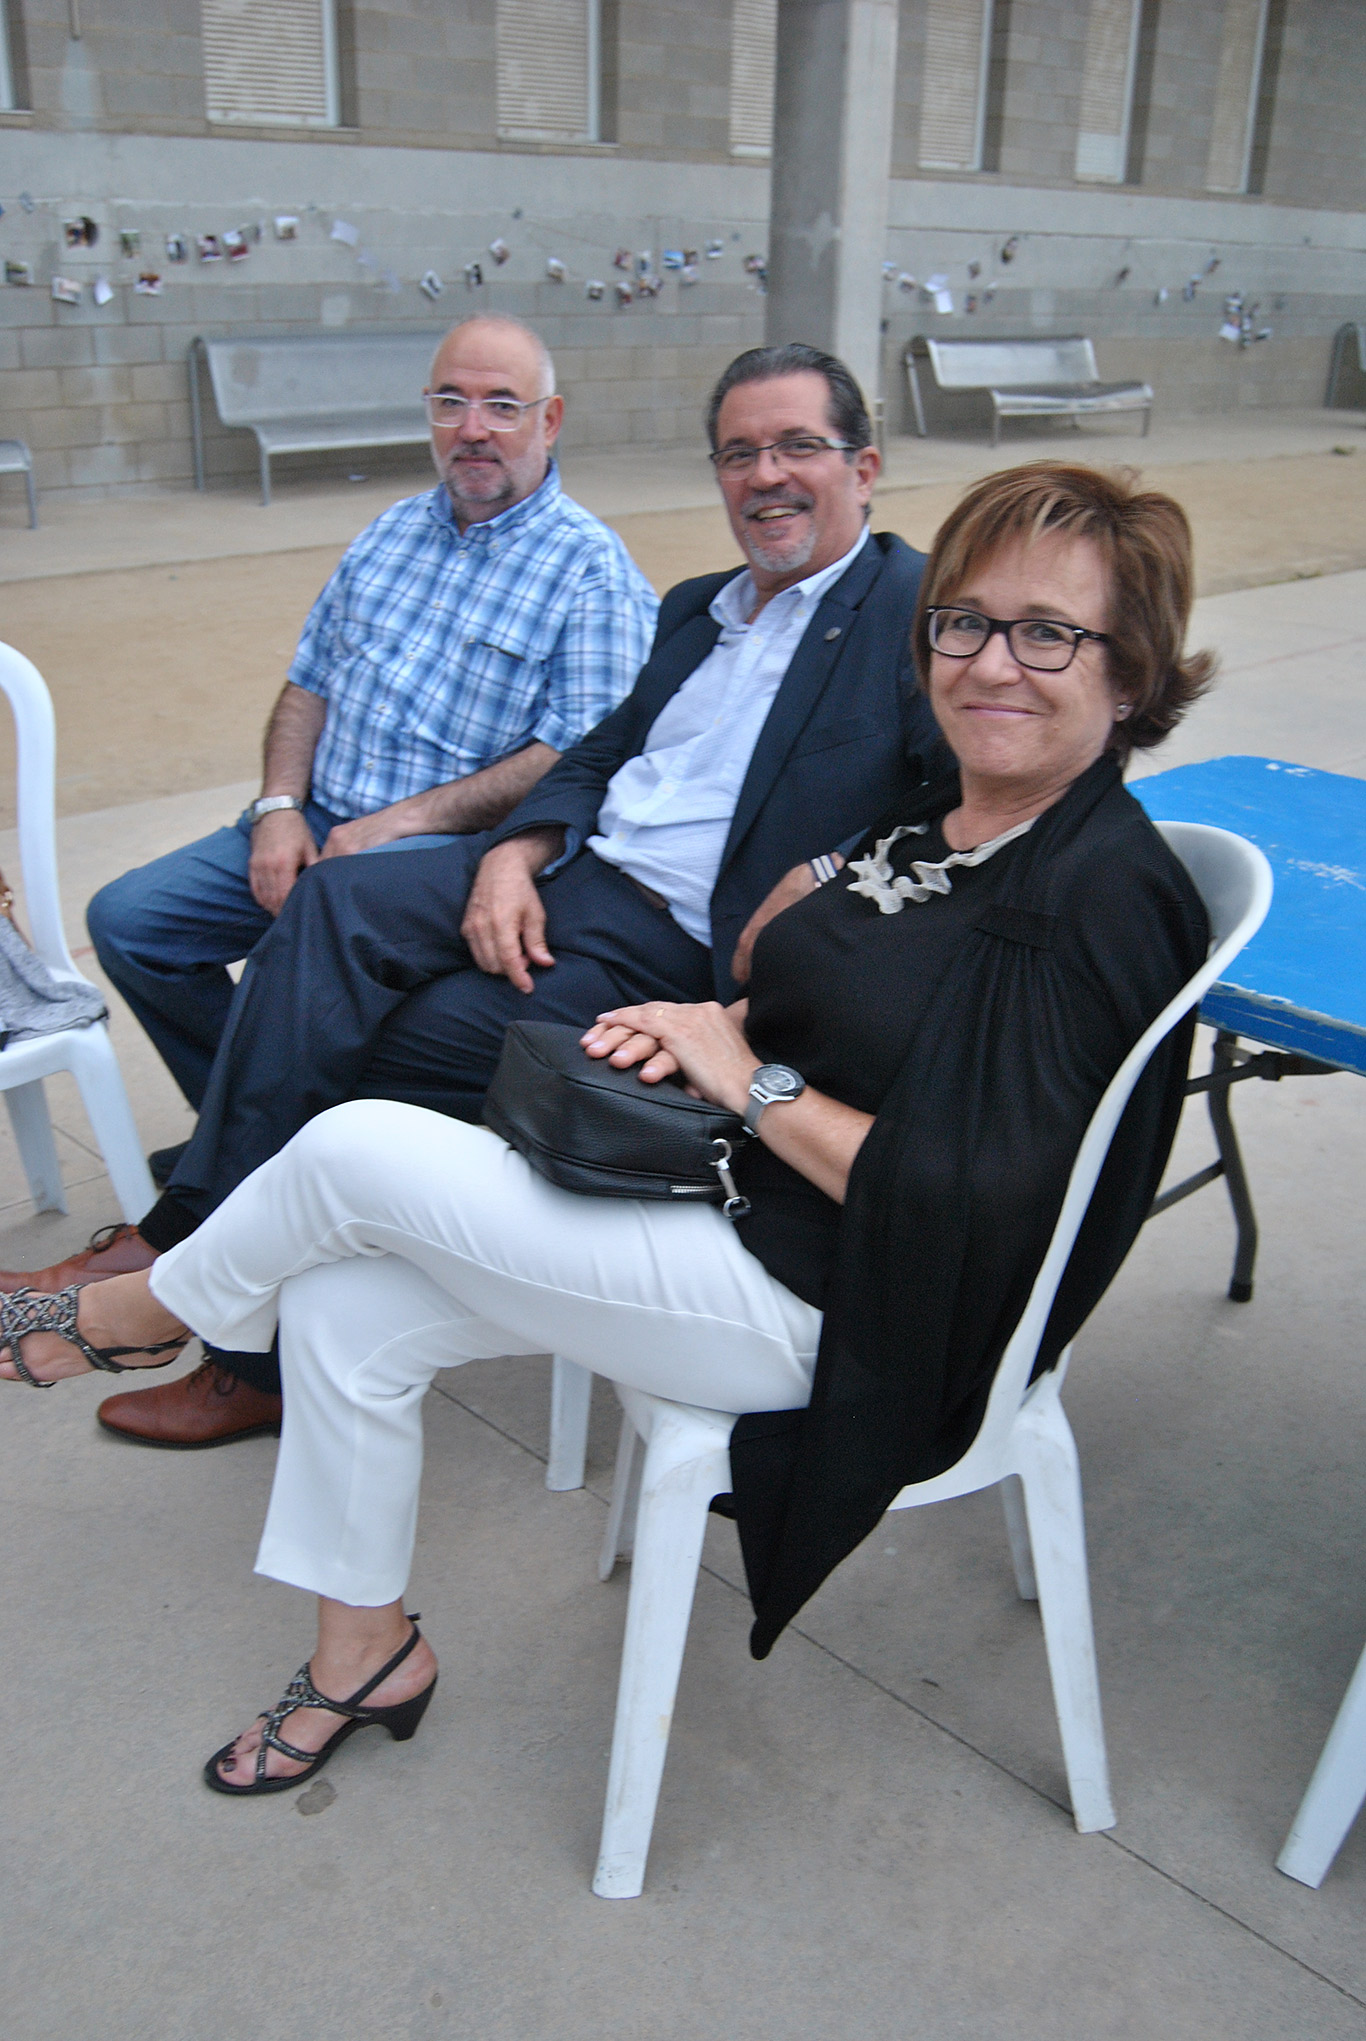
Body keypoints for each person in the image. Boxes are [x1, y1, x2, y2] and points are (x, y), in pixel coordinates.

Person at [1, 461, 1213, 1795]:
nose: (989, 663)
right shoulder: (953, 819)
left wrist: (744, 1078)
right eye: (963, 621)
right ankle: (366, 1655)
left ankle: (132, 1314)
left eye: (1048, 633)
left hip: (842, 1303)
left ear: (1131, 672)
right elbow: (852, 996)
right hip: (733, 1201)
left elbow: (973, 1199)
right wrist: (707, 1022)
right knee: (341, 1308)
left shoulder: (1094, 896)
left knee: (351, 1149)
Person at [19, 342, 944, 1449]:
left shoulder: (916, 611)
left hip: (672, 950)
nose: (766, 475)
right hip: (572, 872)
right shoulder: (702, 607)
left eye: (797, 447)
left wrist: (829, 871)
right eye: (739, 453)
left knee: (360, 1049)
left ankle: (218, 1318)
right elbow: (596, 752)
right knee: (331, 906)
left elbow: (967, 805)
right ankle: (195, 1250)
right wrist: (515, 853)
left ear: (864, 466)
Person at [83, 313, 657, 1116]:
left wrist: (397, 823)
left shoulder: (592, 572)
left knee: (309, 941)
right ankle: (249, 1127)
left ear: (549, 419)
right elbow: (307, 684)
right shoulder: (390, 532)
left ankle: (263, 1128)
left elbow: (576, 757)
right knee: (130, 922)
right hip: (318, 817)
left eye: (502, 405)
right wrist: (279, 808)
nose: (472, 429)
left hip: (443, 847)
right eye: (450, 402)